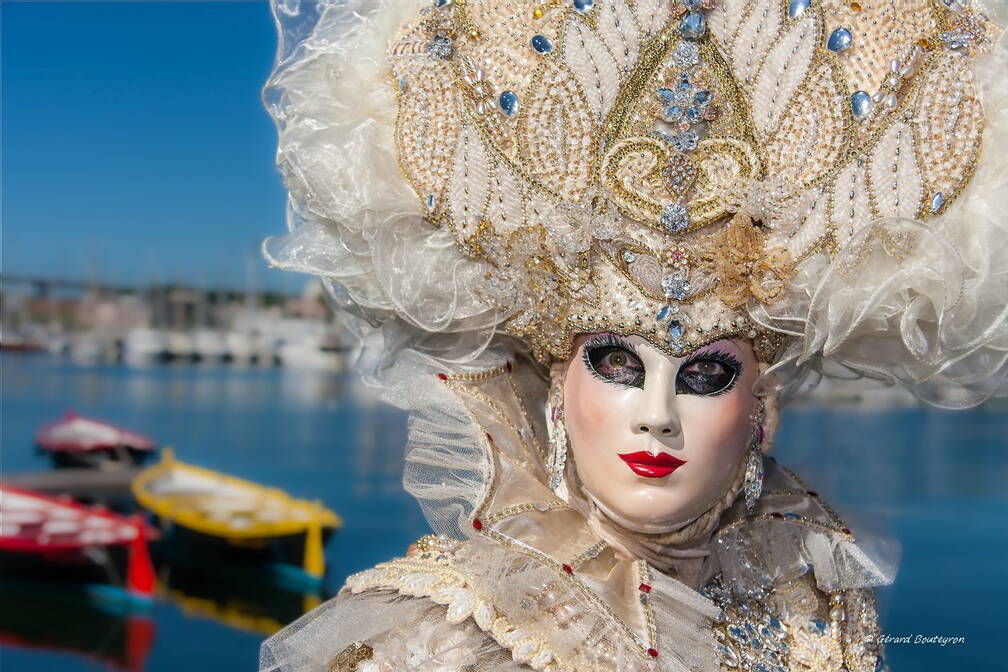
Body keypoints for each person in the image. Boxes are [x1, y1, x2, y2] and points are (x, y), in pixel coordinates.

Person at [259, 0, 1007, 670]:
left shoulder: (816, 610)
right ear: (559, 387)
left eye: (706, 374)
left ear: (761, 408)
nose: (657, 413)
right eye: (617, 362)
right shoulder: (443, 643)